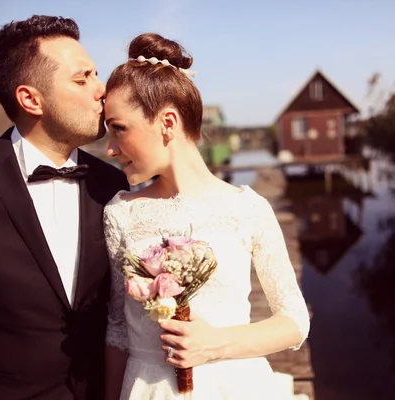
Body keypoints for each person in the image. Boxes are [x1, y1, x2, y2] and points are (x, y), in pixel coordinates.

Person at [103, 33, 310, 399]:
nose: (110, 148)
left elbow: (294, 322)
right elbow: (118, 330)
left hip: (236, 386)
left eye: (119, 128)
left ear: (167, 122)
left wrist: (215, 343)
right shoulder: (120, 213)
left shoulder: (248, 208)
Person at [0, 15, 128, 400]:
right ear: (30, 99)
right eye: (82, 79)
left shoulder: (115, 185)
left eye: (96, 74)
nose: (102, 90)